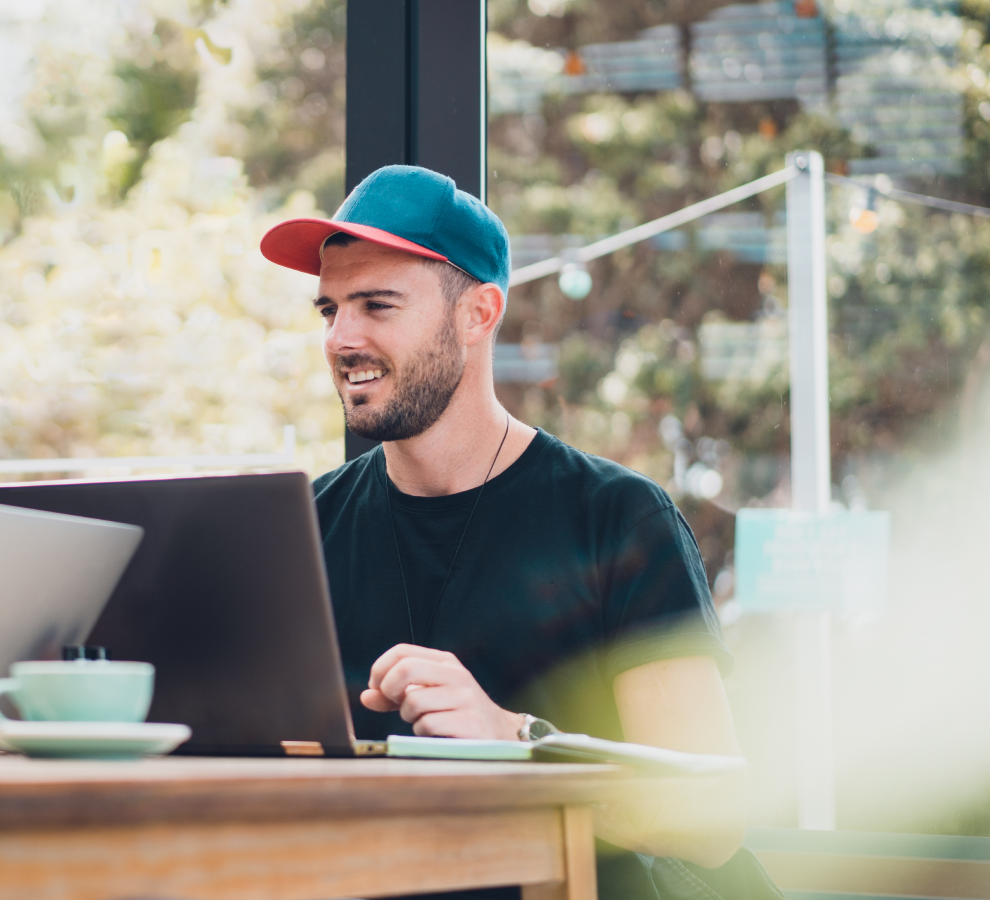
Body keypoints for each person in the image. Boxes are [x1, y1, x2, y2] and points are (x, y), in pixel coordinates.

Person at [260, 166, 769, 899]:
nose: (343, 338)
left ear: (478, 313)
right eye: (330, 310)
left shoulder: (619, 519)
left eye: (377, 304)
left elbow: (714, 816)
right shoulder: (302, 529)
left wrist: (513, 741)